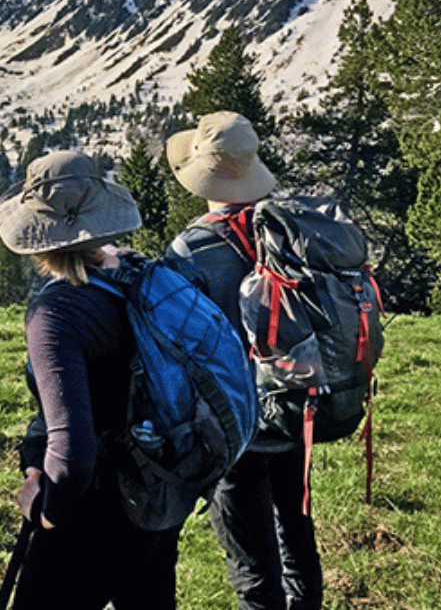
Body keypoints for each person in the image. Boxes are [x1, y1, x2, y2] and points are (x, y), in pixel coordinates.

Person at [0, 150, 181, 610]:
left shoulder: (55, 313)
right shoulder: (137, 274)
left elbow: (74, 449)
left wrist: (50, 514)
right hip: (156, 486)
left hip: (97, 504)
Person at [164, 112, 323, 610]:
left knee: (253, 564)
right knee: (296, 535)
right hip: (295, 409)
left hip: (233, 426)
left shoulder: (191, 249)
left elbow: (172, 345)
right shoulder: (290, 233)